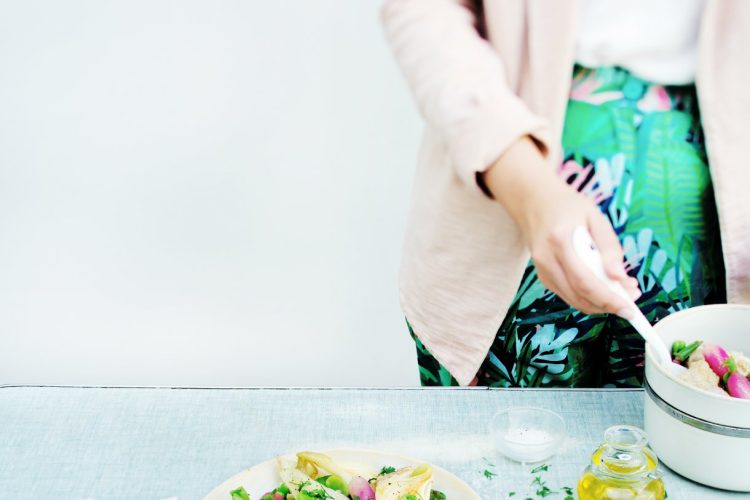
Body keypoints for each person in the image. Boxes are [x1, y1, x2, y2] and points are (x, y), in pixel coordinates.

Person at [381, 0, 750, 387]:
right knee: (495, 439)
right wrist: (527, 188)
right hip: (505, 187)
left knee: (687, 422)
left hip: (719, 206)